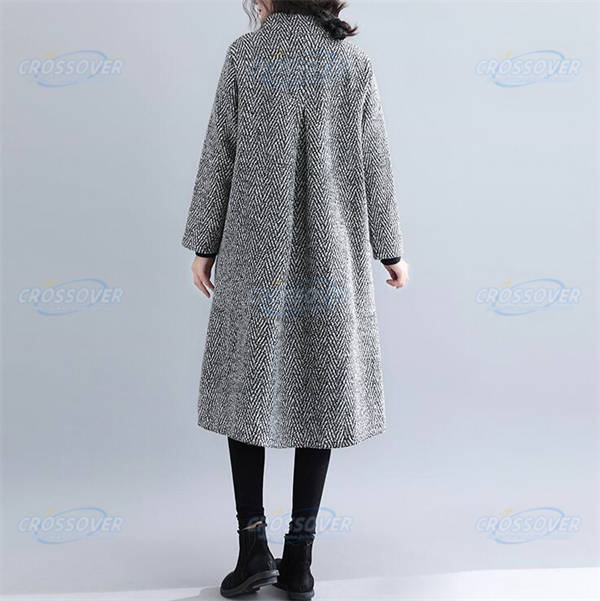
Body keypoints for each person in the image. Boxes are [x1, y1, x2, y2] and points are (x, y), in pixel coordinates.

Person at [182, 0, 410, 598]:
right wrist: (390, 249)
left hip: (253, 250)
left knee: (246, 393)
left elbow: (219, 152)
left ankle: (252, 549)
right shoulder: (351, 62)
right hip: (330, 253)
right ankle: (300, 559)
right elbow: (375, 159)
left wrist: (205, 243)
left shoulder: (246, 54)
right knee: (321, 395)